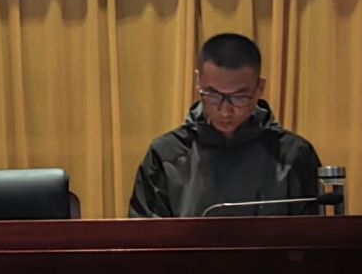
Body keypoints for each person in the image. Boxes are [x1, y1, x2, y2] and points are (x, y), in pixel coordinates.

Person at [130, 33, 322, 217]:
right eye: (213, 95)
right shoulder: (166, 155)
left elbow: (315, 234)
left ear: (260, 88)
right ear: (198, 82)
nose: (225, 111)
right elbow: (144, 234)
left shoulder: (293, 156)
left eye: (239, 97)